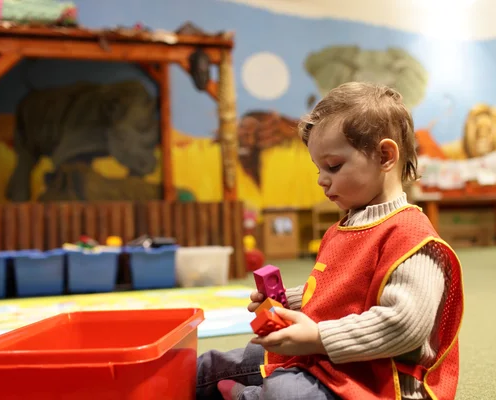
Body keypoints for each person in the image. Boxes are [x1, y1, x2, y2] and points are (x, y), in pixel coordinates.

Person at [196, 82, 464, 400]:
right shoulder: (346, 226)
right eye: (318, 169)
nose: (322, 179)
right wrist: (288, 301)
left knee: (286, 393)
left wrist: (318, 336)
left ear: (385, 155)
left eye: (333, 166)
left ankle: (248, 396)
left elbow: (404, 325)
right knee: (220, 362)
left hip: (381, 381)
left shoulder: (412, 236)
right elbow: (343, 292)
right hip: (332, 359)